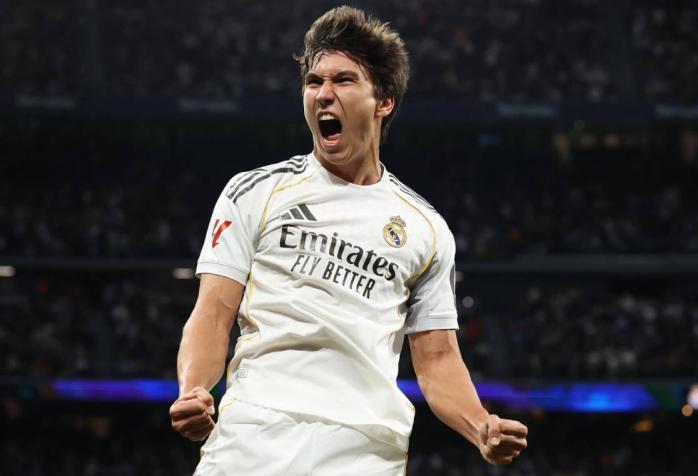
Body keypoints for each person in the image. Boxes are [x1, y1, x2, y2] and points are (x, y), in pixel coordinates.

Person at [169, 6, 527, 474]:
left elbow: (437, 358)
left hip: (363, 452)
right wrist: (194, 390)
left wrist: (479, 424)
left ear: (383, 101)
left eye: (343, 80)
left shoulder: (425, 228)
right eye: (313, 81)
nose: (323, 93)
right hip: (254, 439)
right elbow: (213, 314)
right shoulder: (254, 191)